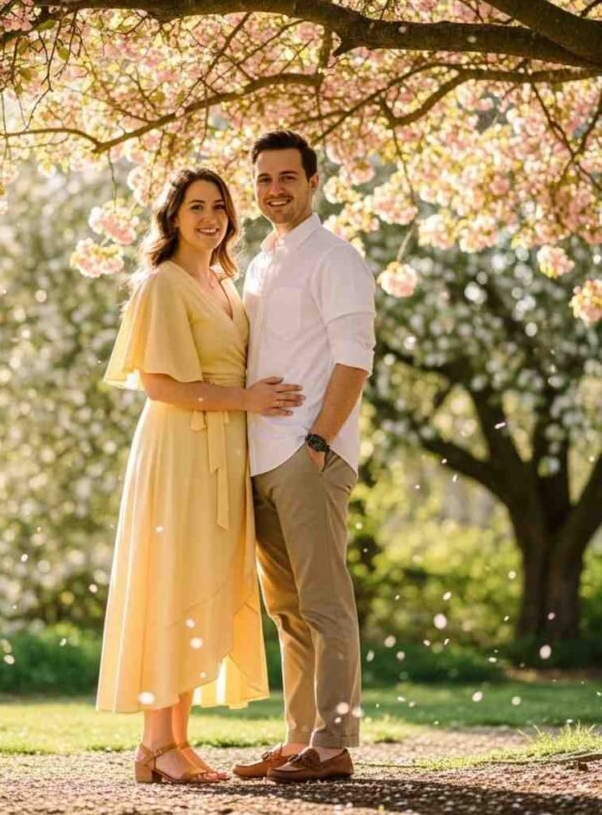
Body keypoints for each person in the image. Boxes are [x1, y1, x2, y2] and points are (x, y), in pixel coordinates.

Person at [96, 167, 303, 786]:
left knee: (198, 585)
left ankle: (173, 743)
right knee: (170, 583)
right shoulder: (162, 283)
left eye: (218, 207)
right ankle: (156, 744)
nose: (210, 218)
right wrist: (246, 401)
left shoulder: (221, 282)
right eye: (195, 207)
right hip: (180, 452)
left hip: (223, 450)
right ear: (173, 217)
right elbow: (158, 384)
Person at [233, 131, 375, 784]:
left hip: (306, 454)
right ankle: (300, 740)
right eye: (264, 179)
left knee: (324, 603)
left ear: (313, 182)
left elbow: (354, 359)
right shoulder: (261, 263)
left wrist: (317, 442)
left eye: (287, 177)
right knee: (288, 612)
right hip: (259, 458)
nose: (275, 190)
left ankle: (333, 742)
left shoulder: (335, 258)